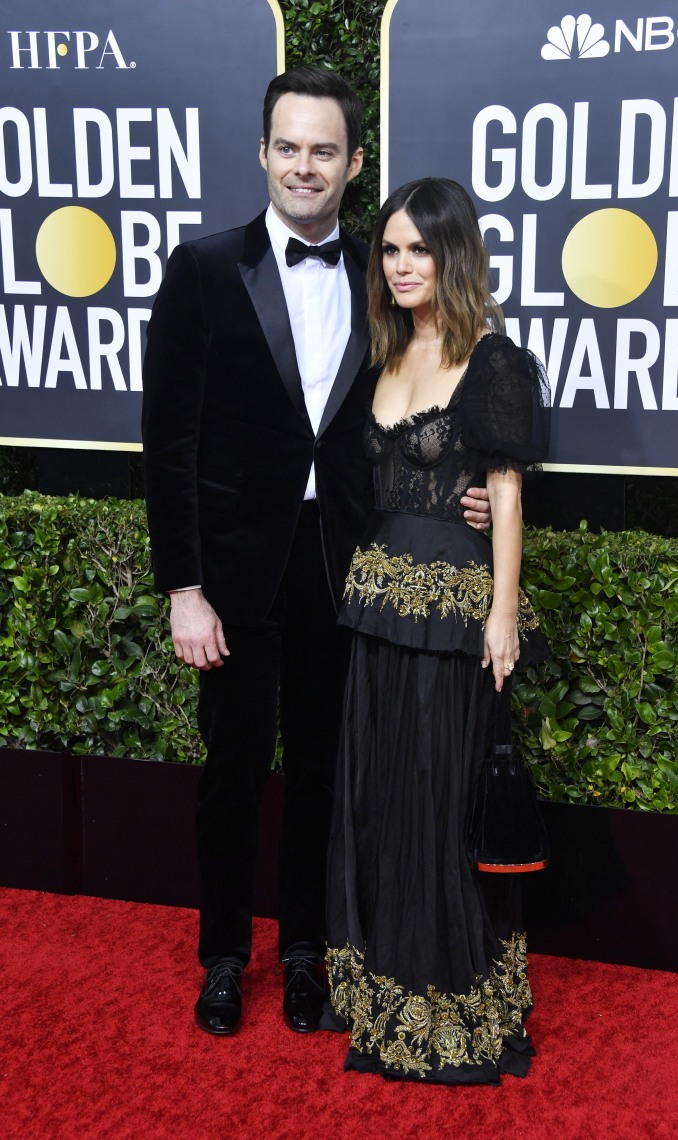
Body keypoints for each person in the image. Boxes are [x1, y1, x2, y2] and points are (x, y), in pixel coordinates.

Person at [141, 70, 491, 1038]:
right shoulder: (203, 268)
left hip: (345, 566)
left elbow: (424, 400)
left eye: (324, 150)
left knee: (322, 773)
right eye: (288, 147)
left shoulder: (381, 279)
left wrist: (469, 485)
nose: (305, 165)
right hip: (236, 571)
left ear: (353, 162)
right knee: (233, 767)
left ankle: (305, 953)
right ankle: (222, 956)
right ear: (262, 153)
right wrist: (184, 586)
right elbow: (167, 441)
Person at [323, 178, 551, 1084]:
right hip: (377, 607)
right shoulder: (381, 351)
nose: (401, 264)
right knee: (381, 795)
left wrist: (502, 614)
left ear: (454, 254)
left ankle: (449, 995)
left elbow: (505, 492)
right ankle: (385, 986)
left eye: (419, 248)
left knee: (435, 797)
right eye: (389, 249)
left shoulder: (492, 358)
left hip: (454, 616)